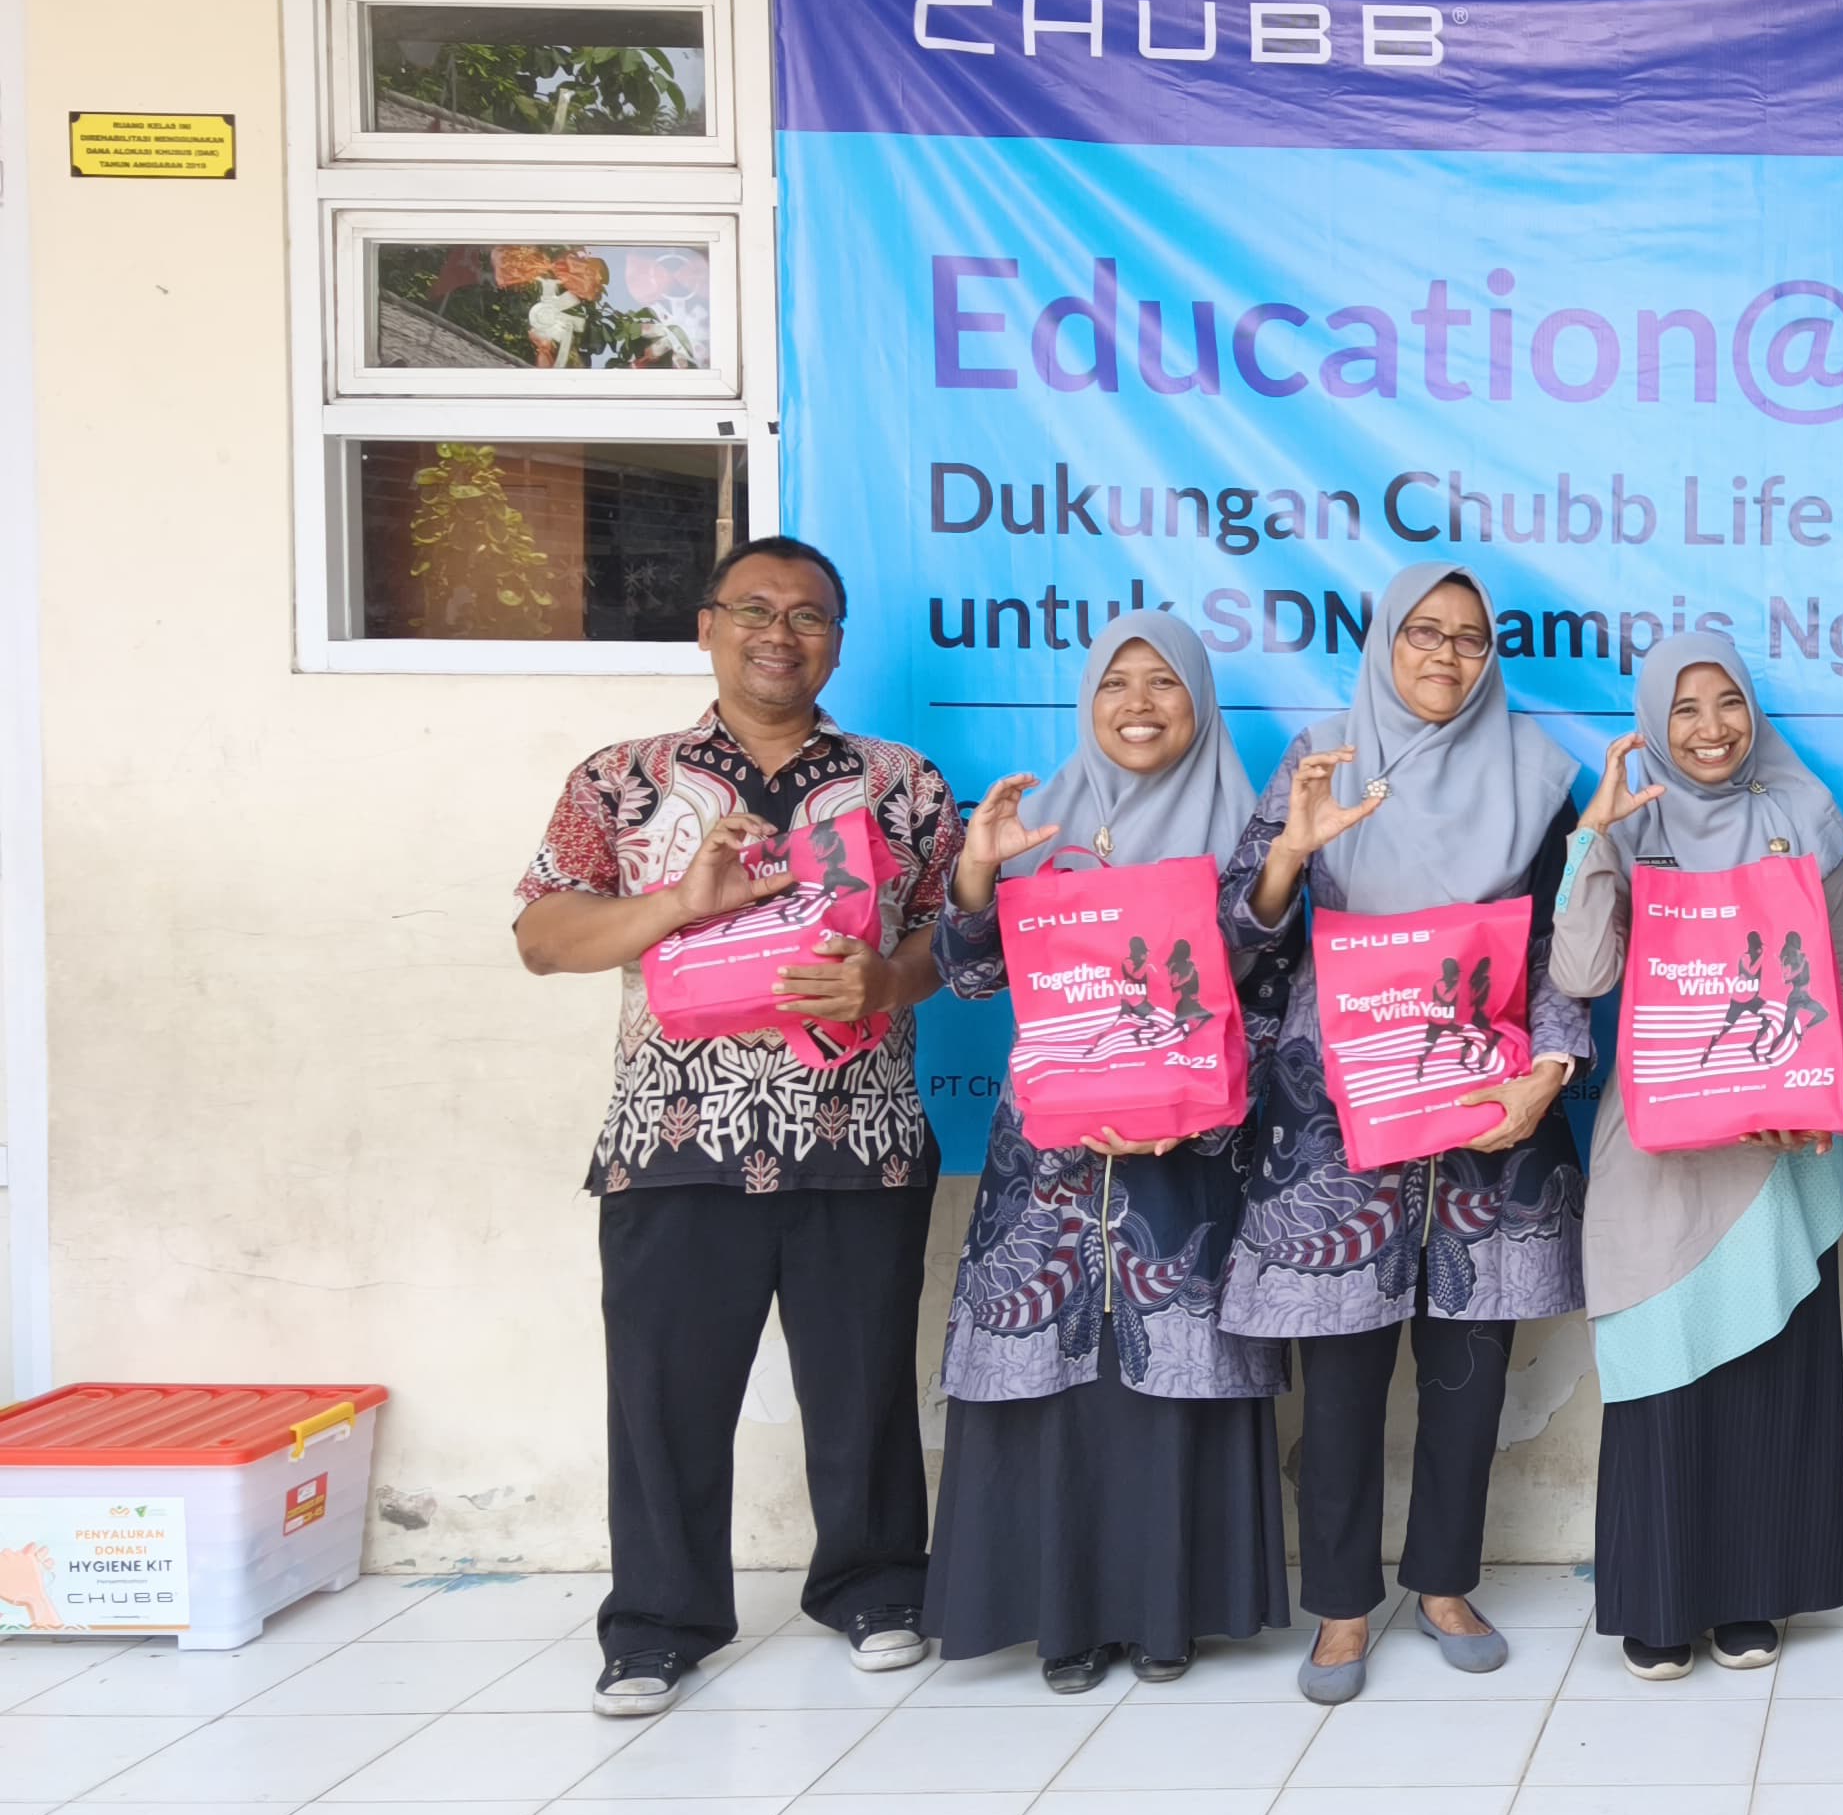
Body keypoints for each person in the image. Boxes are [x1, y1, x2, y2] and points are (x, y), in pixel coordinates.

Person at [511, 536, 957, 1719]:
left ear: (837, 644)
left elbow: (957, 941)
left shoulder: (903, 782)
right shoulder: (620, 780)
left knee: (863, 1387)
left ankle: (876, 1588)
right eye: (754, 610)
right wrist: (673, 903)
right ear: (706, 626)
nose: (779, 634)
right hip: (674, 1139)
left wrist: (887, 982)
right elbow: (542, 937)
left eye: (808, 616)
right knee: (664, 1397)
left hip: (858, 1136)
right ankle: (657, 1625)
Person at [1221, 563, 1592, 1703]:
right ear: (1384, 642)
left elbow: (1561, 943)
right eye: (1424, 632)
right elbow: (1239, 940)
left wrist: (1550, 1072)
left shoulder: (1537, 775)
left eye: (1470, 639)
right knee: (1338, 1377)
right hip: (1338, 1119)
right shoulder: (1321, 761)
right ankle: (1342, 1605)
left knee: (1467, 1370)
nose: (1445, 655)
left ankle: (1442, 1583)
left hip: (1487, 1120)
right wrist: (1292, 852)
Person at [922, 611, 1284, 1694]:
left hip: (1187, 1161)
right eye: (1116, 681)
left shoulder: (1249, 829)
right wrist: (977, 875)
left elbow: (1268, 999)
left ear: (1199, 702)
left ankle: (1169, 1614)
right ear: (1088, 701)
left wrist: (1195, 1116)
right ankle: (1063, 1619)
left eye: (1163, 682)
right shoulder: (1039, 825)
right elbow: (971, 978)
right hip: (1047, 1171)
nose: (1137, 703)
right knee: (1051, 1387)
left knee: (1170, 1384)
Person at [1552, 633, 1843, 1679]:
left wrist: (1816, 1100)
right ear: (1653, 722)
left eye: (1727, 702)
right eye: (1684, 708)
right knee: (1660, 1359)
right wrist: (1592, 840)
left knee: (1765, 1365)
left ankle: (1750, 1594)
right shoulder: (1628, 824)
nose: (1709, 728)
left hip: (1776, 1145)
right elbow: (1582, 974)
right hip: (1657, 1149)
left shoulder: (1800, 817)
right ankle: (1657, 1598)